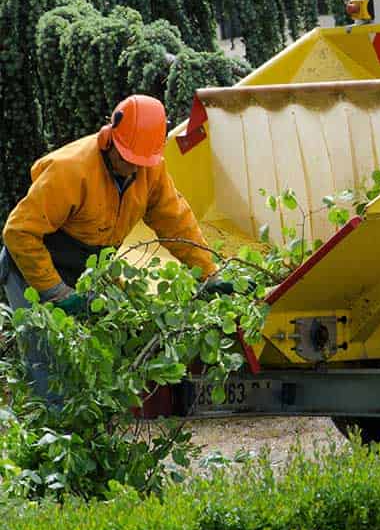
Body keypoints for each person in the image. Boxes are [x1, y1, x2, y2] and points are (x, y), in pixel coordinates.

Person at [0, 95, 217, 396]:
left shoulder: (150, 171)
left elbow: (175, 220)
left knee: (98, 351)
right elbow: (18, 232)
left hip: (87, 269)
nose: (131, 167)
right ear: (111, 138)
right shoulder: (70, 170)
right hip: (30, 269)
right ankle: (55, 428)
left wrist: (209, 272)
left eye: (140, 162)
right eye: (126, 158)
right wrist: (55, 291)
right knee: (47, 356)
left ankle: (93, 426)